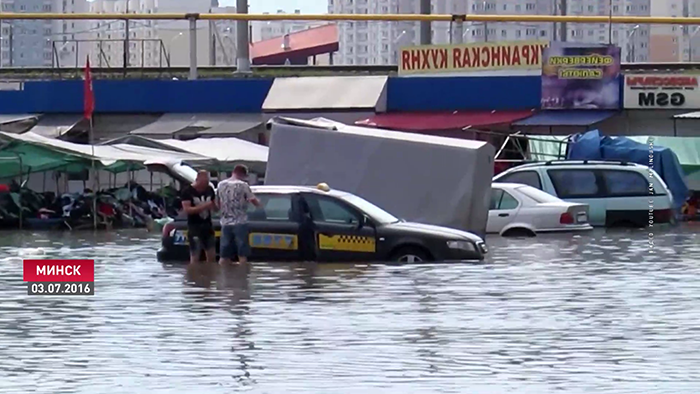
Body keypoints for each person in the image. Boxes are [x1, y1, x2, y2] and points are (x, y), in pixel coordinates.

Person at [216, 164, 261, 265]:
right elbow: (252, 199)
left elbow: (217, 203)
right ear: (243, 174)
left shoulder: (221, 185)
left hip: (225, 222)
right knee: (242, 254)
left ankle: (222, 277)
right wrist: (260, 205)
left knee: (224, 254)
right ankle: (243, 276)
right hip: (240, 222)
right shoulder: (243, 185)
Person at [180, 170, 217, 264]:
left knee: (212, 255)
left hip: (208, 225)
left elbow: (214, 206)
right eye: (203, 183)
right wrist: (204, 206)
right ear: (197, 180)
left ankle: (210, 276)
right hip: (194, 226)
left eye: (207, 182)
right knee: (195, 255)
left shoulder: (209, 189)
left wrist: (216, 207)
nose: (204, 186)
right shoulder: (187, 191)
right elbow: (187, 210)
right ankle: (194, 276)